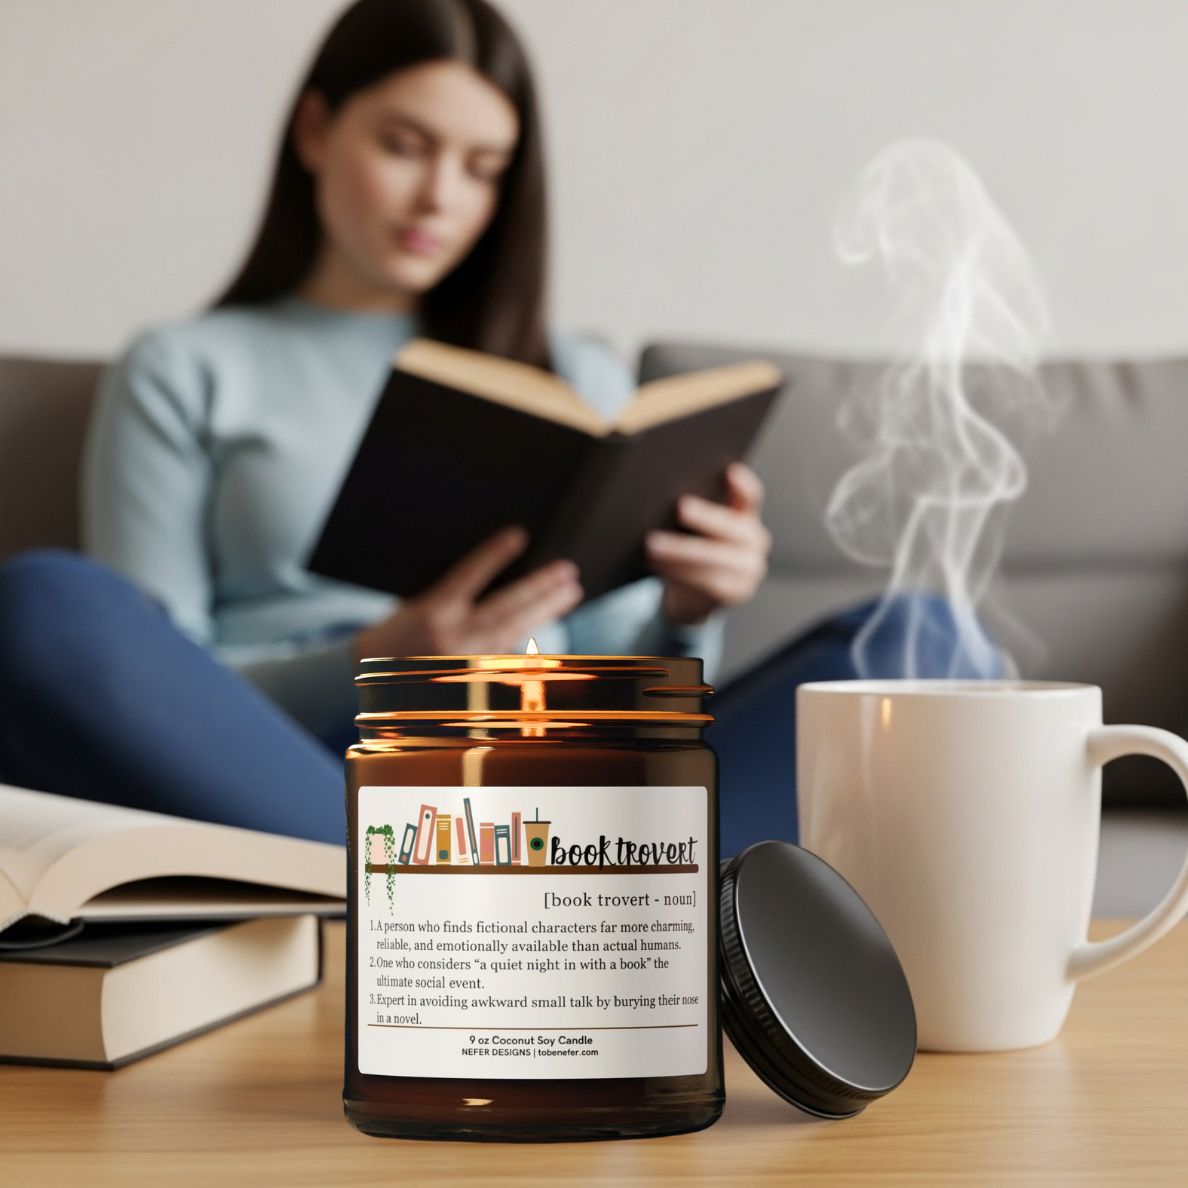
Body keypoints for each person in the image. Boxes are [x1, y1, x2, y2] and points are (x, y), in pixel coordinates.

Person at [0, 0, 970, 856]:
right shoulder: (185, 366)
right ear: (315, 130)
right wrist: (379, 668)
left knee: (927, 644)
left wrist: (689, 606)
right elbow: (153, 689)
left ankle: (521, 899)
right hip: (318, 773)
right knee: (42, 604)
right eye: (405, 146)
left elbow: (642, 706)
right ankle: (539, 908)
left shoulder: (575, 371)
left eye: (482, 168)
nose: (441, 199)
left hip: (574, 776)